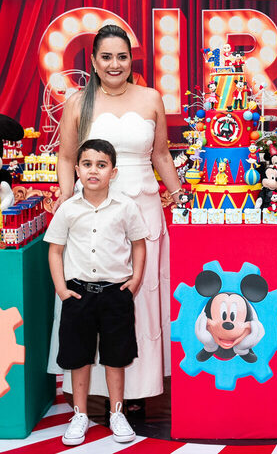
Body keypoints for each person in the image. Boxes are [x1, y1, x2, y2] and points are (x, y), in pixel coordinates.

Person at [49, 23, 186, 419]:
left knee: (135, 296)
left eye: (122, 57)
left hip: (143, 207)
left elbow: (161, 155)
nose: (114, 64)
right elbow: (66, 157)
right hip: (92, 210)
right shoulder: (79, 102)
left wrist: (180, 196)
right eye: (106, 57)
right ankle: (91, 389)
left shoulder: (151, 98)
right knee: (91, 295)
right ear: (93, 61)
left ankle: (138, 387)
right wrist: (66, 199)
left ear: (131, 61)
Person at [47, 139, 149, 445]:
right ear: (77, 170)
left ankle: (117, 413)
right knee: (78, 357)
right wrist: (62, 289)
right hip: (78, 294)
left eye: (101, 165)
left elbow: (138, 244)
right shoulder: (68, 209)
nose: (94, 171)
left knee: (116, 357)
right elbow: (55, 250)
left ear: (113, 172)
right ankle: (80, 415)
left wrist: (135, 280)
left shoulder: (126, 207)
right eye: (87, 164)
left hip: (116, 294)